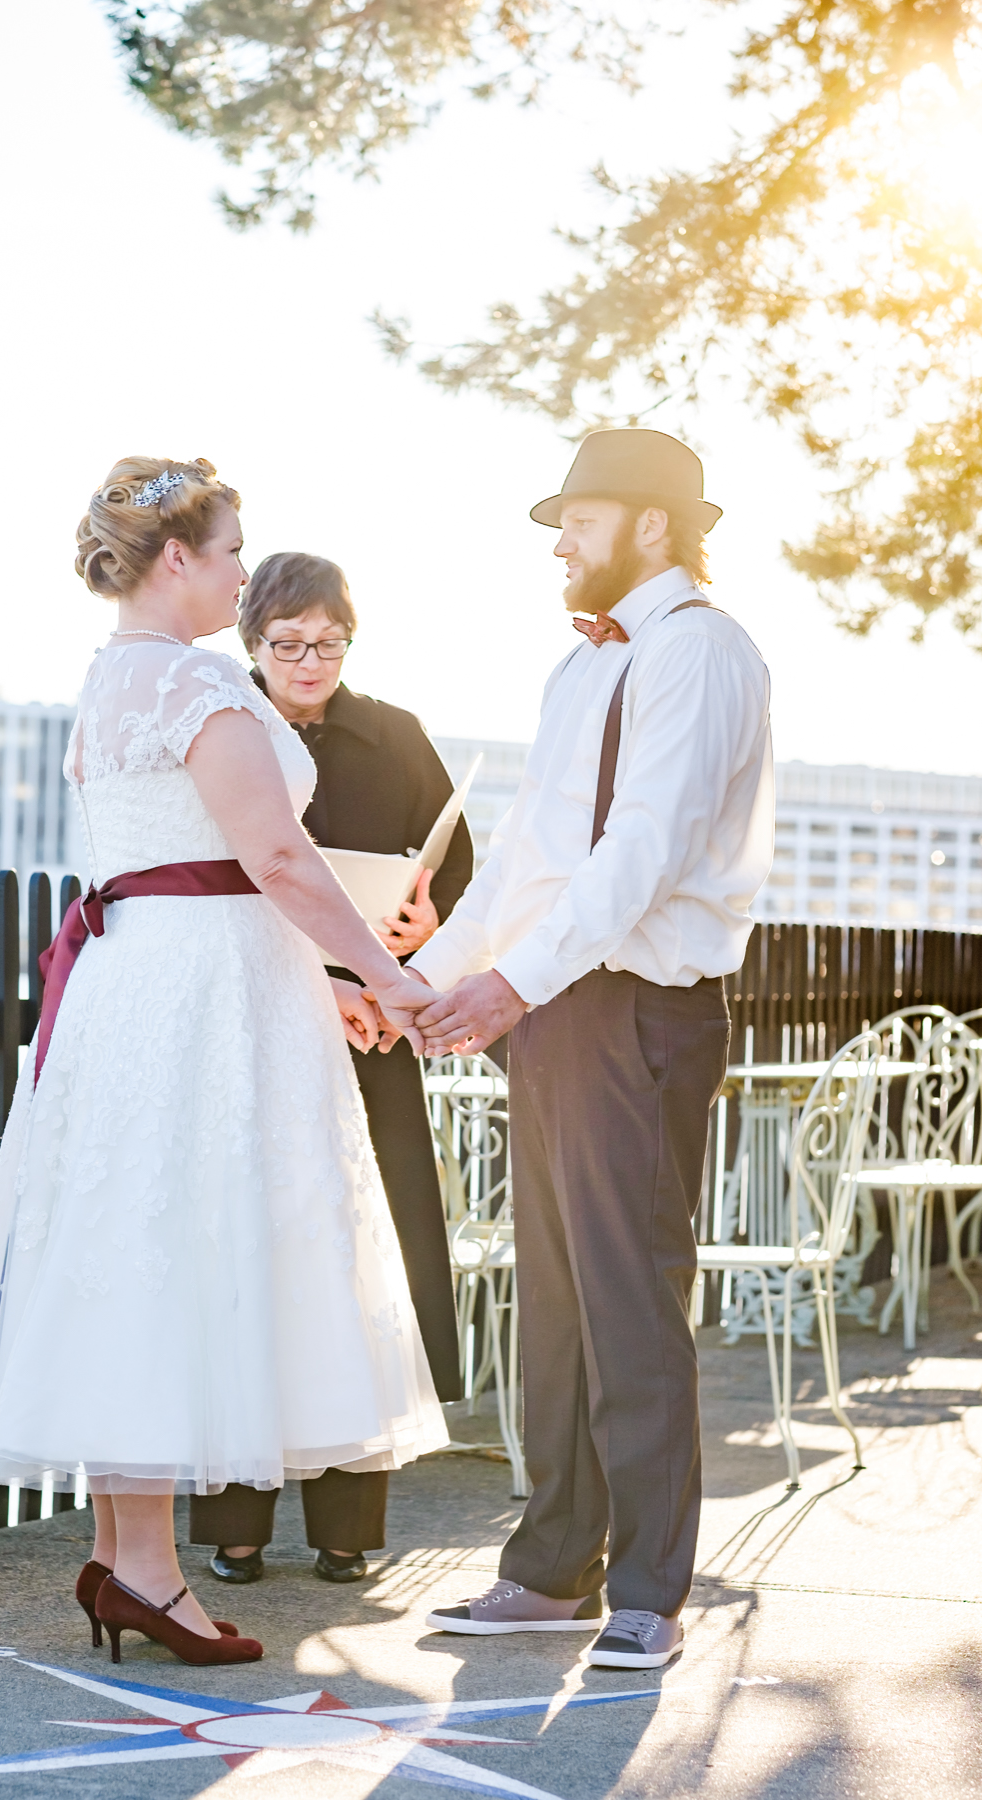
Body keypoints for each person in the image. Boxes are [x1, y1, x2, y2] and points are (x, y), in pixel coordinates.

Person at [0, 455, 450, 1668]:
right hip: (202, 992)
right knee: (180, 1245)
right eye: (229, 553)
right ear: (175, 561)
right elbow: (280, 860)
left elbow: (215, 869)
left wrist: (326, 985)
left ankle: (125, 1552)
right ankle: (146, 1569)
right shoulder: (200, 686)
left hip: (147, 979)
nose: (243, 570)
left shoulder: (115, 679)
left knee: (138, 1247)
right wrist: (393, 978)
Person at [410, 428, 773, 1672]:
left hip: (638, 1010)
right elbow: (522, 860)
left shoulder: (703, 655)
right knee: (553, 1306)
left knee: (629, 1303)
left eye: (579, 516)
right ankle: (550, 1572)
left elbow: (644, 852)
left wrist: (508, 982)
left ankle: (651, 1592)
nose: (558, 541)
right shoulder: (579, 673)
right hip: (561, 1007)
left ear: (656, 527)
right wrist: (429, 982)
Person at [188, 552, 475, 1588]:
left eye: (330, 642)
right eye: (288, 644)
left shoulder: (396, 735)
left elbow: (459, 874)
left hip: (374, 1037)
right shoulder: (226, 727)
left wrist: (426, 930)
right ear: (252, 644)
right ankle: (233, 1523)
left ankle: (350, 1529)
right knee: (251, 1258)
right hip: (257, 1026)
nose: (311, 661)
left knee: (364, 1266)